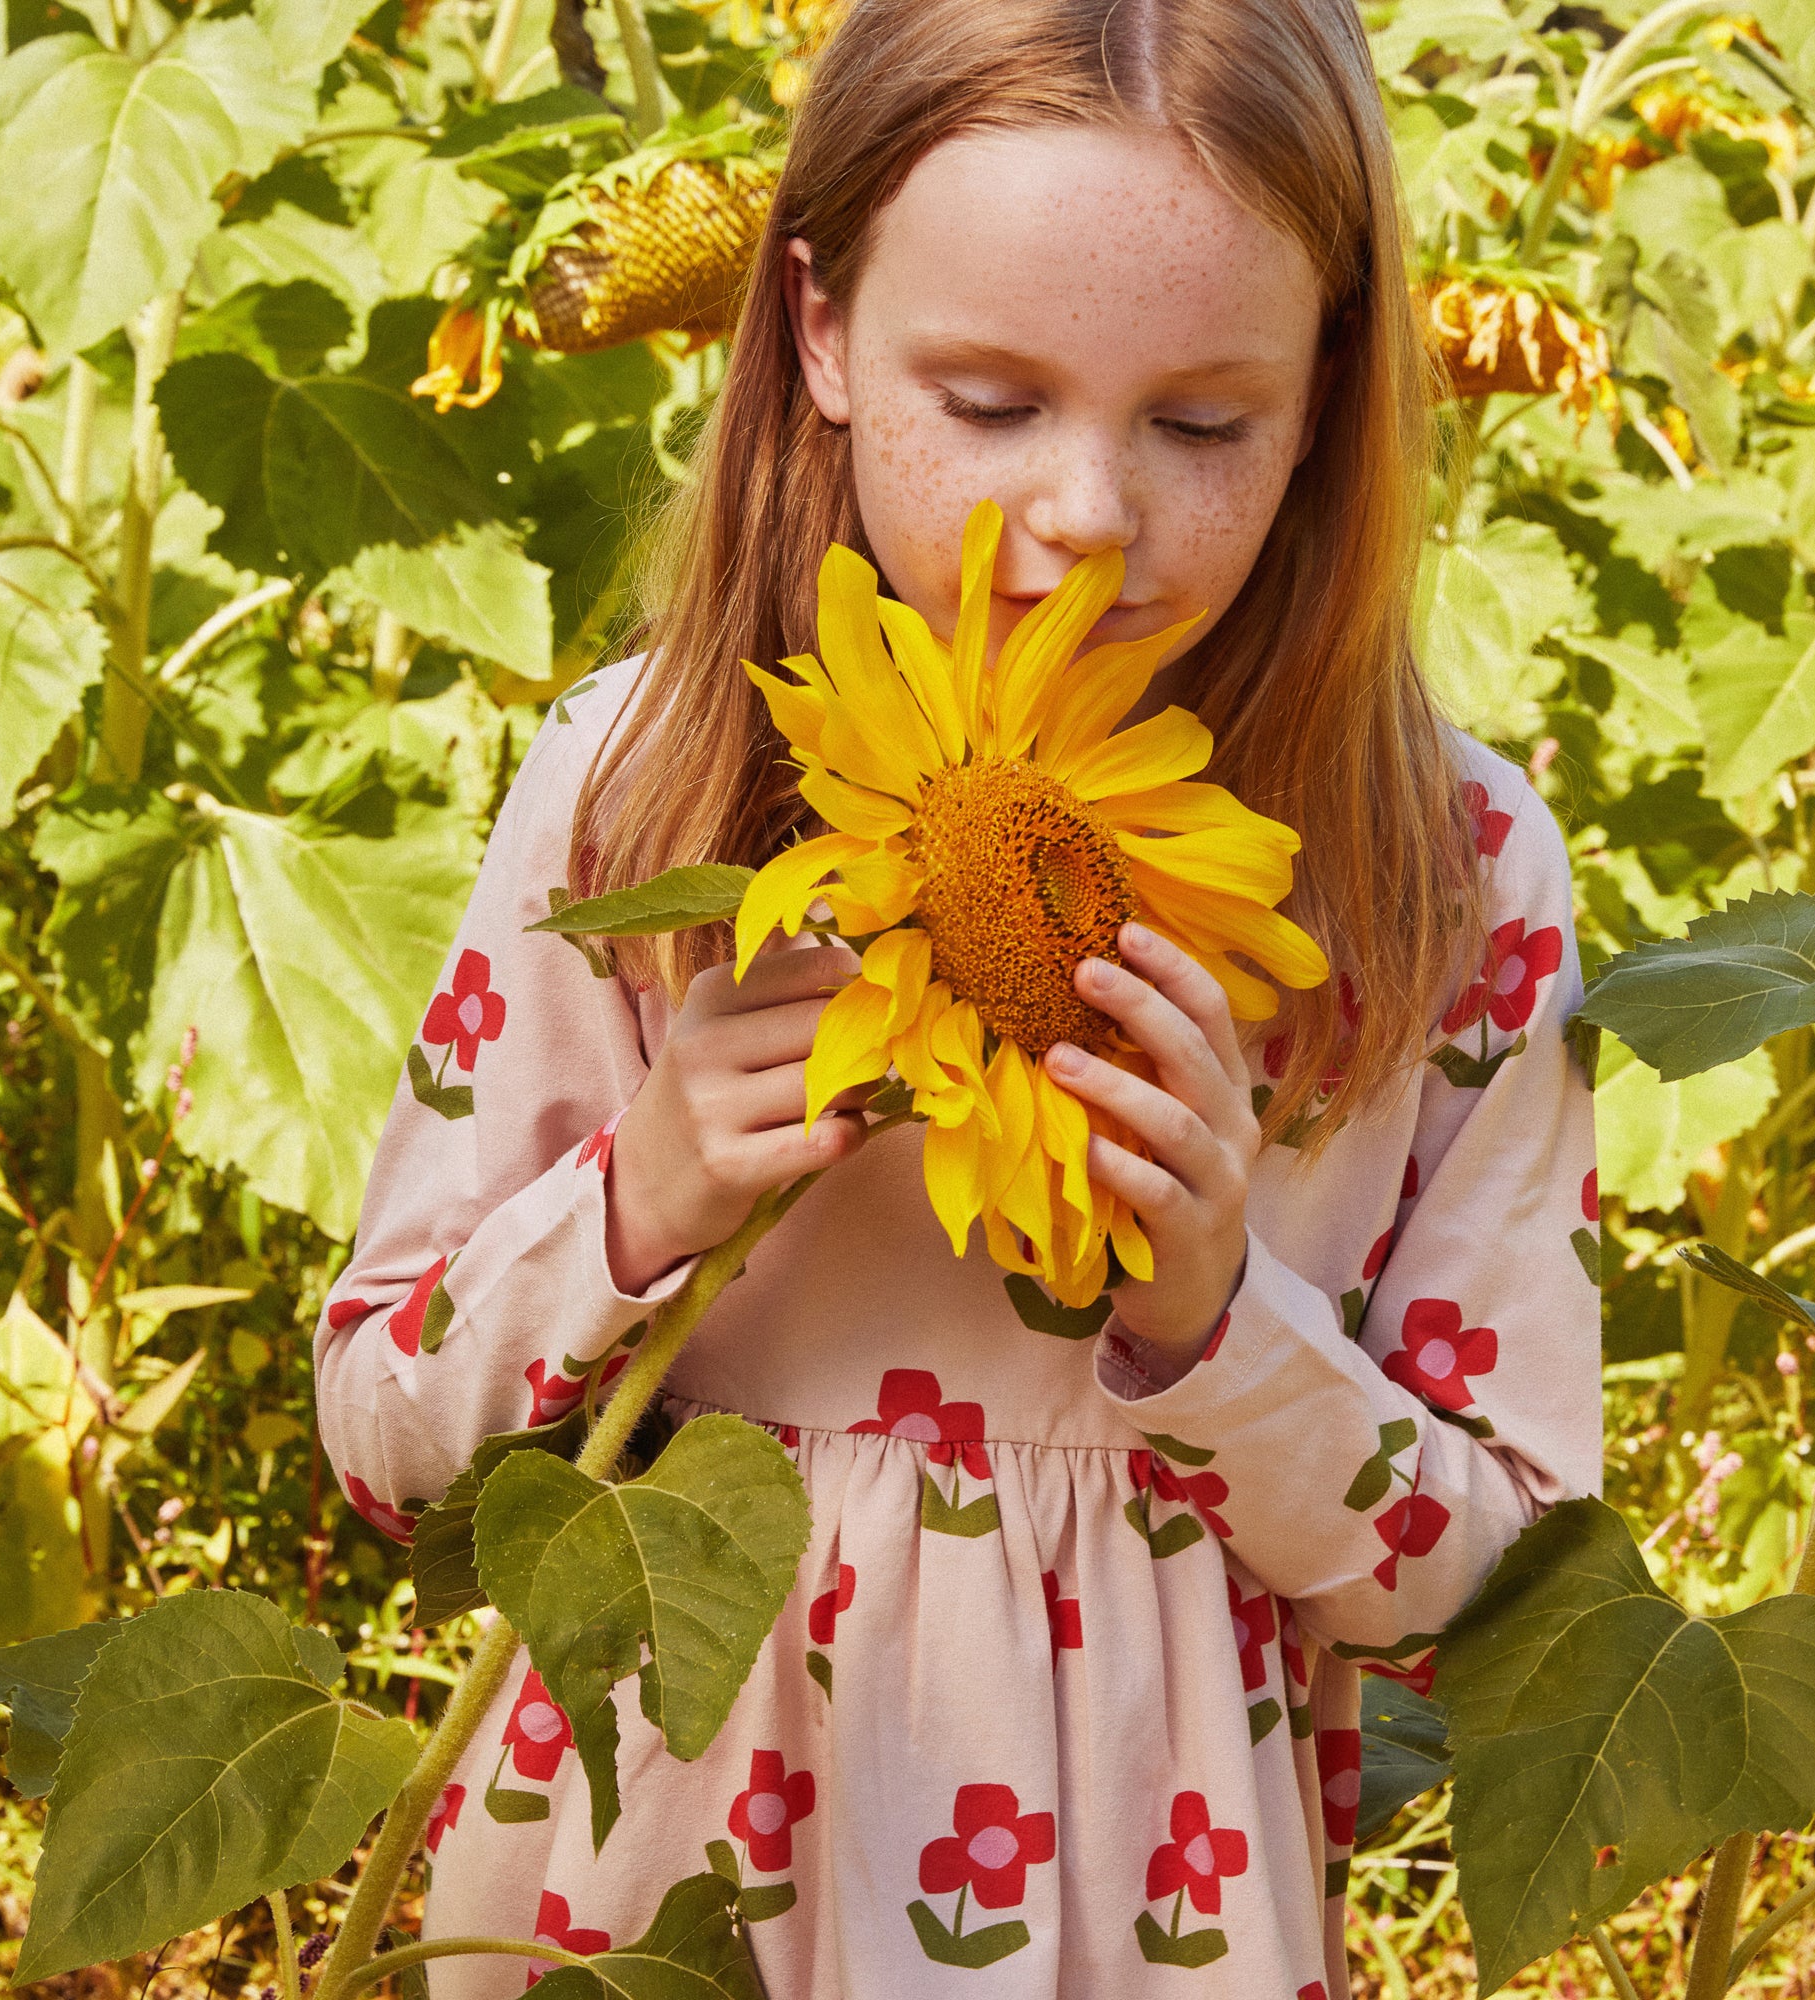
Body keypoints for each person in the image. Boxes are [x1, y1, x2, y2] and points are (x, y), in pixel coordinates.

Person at [314, 0, 1602, 1992]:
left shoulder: (1432, 877)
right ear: (818, 330)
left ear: (1330, 388)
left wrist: (1216, 1326)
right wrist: (633, 1204)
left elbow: (1485, 1585)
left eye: (1200, 423)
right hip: (660, 1881)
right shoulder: (639, 793)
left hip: (1140, 1902)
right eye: (992, 403)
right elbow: (389, 1441)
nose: (1085, 511)